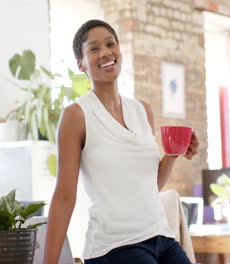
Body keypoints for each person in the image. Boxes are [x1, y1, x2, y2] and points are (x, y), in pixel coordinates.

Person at [43, 19, 199, 264]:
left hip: (161, 238)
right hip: (114, 247)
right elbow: (64, 197)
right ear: (81, 64)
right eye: (94, 49)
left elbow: (150, 185)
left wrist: (172, 154)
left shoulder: (142, 111)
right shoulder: (77, 115)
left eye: (110, 44)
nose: (105, 52)